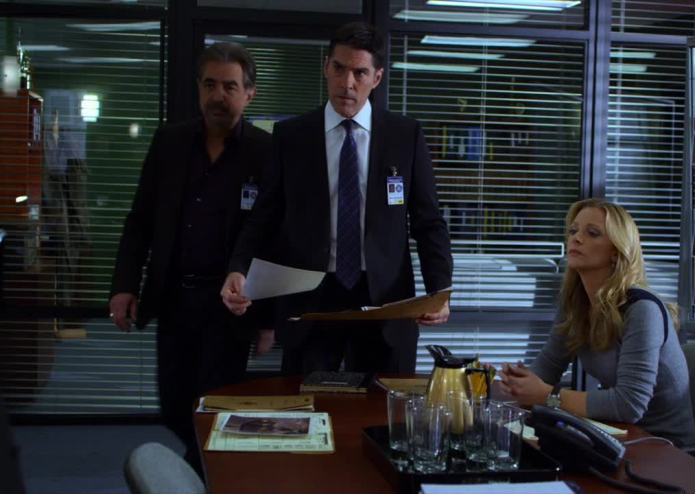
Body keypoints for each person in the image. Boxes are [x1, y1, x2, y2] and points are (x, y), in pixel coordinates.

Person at [221, 21, 453, 374]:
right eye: (340, 68)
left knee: (384, 407)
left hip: (384, 301)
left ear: (376, 77)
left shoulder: (405, 136)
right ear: (326, 67)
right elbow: (265, 215)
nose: (347, 83)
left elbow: (429, 222)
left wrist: (440, 291)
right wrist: (238, 268)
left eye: (360, 73)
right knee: (308, 403)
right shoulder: (292, 136)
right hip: (312, 300)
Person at [108, 42, 272, 473]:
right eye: (210, 85)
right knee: (174, 406)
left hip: (228, 311)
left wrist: (268, 320)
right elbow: (140, 220)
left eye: (230, 86)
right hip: (175, 300)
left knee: (216, 410)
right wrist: (124, 285)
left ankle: (202, 479)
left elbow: (272, 238)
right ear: (199, 88)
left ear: (249, 93)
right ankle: (200, 472)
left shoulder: (265, 152)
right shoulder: (170, 142)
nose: (219, 95)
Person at [499, 198, 695, 446]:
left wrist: (548, 396)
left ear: (616, 251)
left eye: (592, 233)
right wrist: (519, 382)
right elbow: (548, 367)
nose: (576, 238)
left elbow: (629, 405)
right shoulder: (576, 303)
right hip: (615, 432)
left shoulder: (642, 310)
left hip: (661, 445)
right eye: (573, 231)